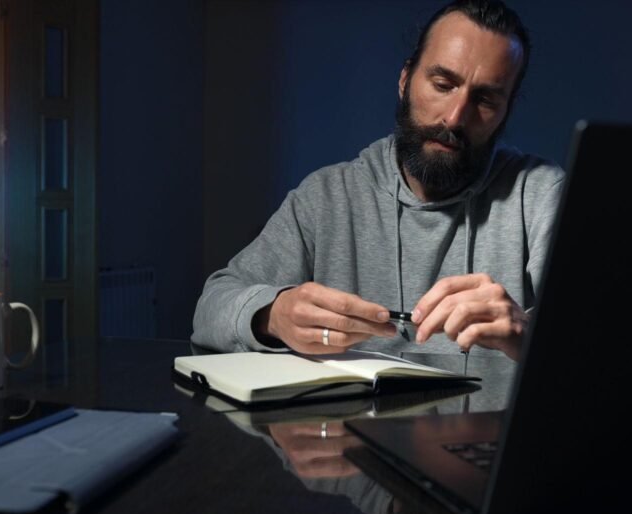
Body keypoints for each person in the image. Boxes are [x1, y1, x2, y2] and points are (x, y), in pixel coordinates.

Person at [192, 0, 563, 362]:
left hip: (487, 426)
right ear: (405, 80)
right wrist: (272, 315)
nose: (454, 117)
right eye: (442, 84)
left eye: (485, 100)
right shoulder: (326, 197)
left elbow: (607, 345)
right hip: (344, 425)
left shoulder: (542, 196)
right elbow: (210, 309)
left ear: (506, 112)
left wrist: (530, 336)